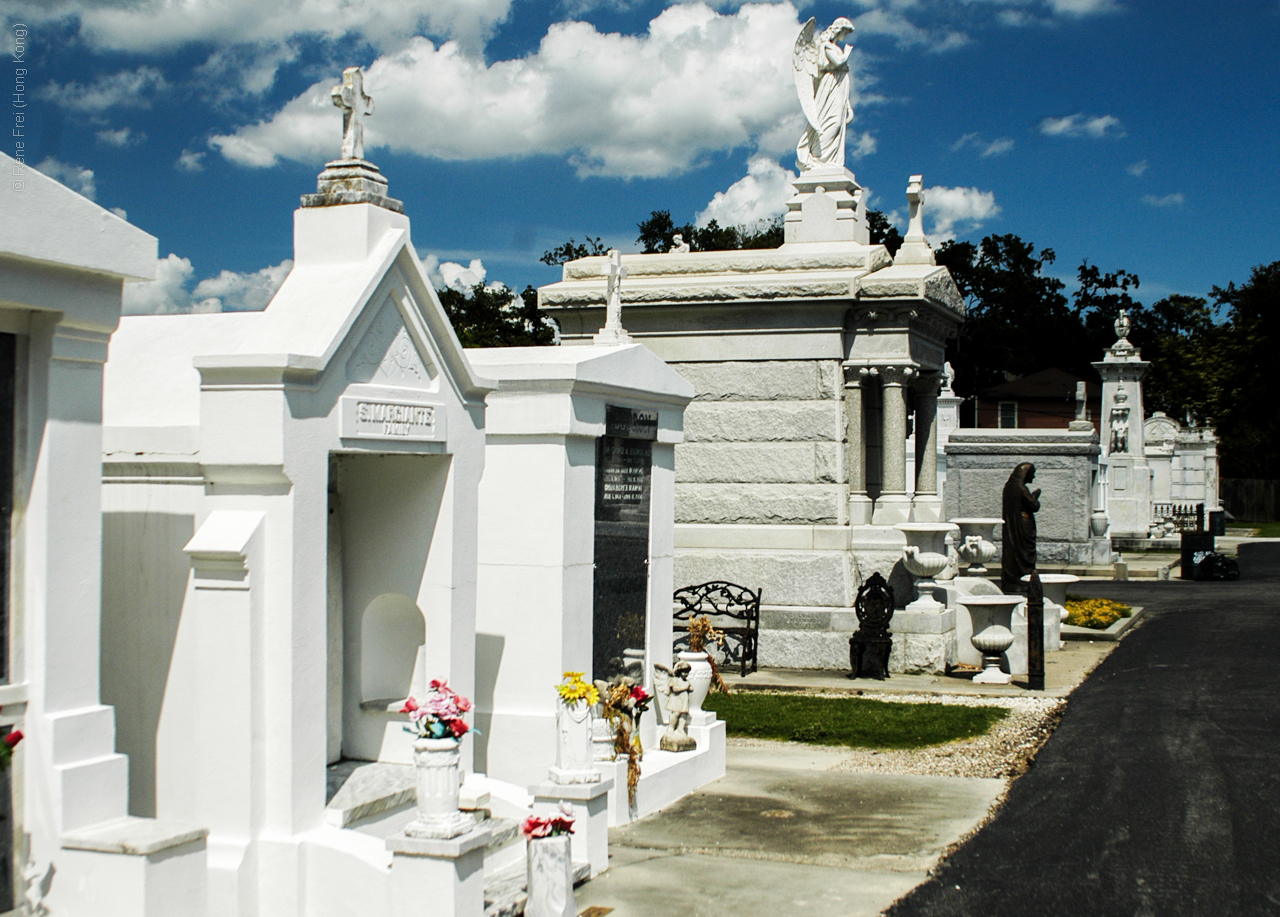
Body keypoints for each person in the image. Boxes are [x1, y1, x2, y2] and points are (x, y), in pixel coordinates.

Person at [795, 18, 856, 170]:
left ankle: (829, 161)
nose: (845, 36)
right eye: (845, 32)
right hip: (830, 85)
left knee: (838, 122)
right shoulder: (827, 46)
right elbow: (838, 62)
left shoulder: (833, 46)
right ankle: (818, 158)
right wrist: (847, 53)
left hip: (839, 86)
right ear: (839, 30)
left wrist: (848, 105)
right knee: (832, 122)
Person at [1001, 462, 1041, 594]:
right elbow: (1034, 506)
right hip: (1023, 526)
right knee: (1024, 551)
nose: (1033, 477)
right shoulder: (1021, 488)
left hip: (1013, 525)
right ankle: (1023, 577)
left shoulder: (1009, 487)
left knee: (1015, 550)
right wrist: (1035, 496)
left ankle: (1013, 578)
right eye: (1032, 474)